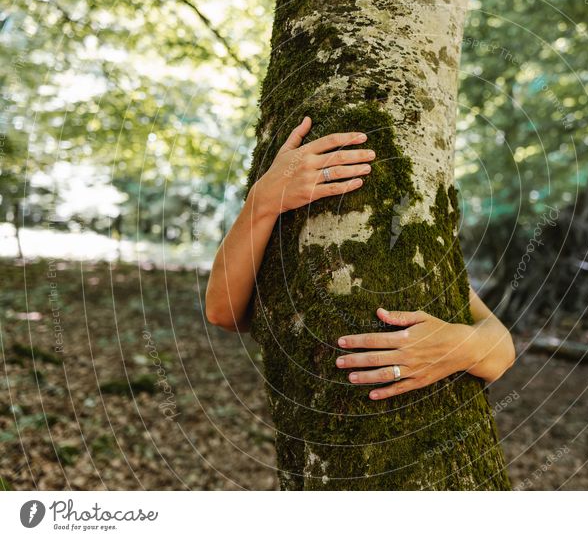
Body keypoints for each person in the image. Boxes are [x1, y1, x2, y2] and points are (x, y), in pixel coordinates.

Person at [205, 116, 515, 400]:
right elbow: (224, 311)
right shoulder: (285, 222)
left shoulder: (422, 247)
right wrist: (262, 202)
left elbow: (502, 348)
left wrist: (460, 346)